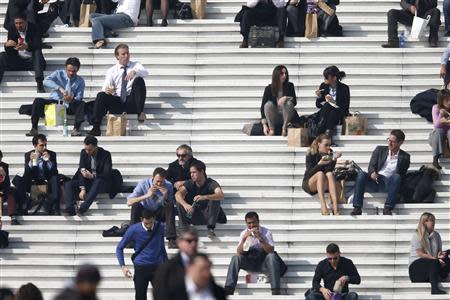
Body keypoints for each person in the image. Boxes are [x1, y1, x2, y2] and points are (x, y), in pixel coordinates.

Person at [88, 44, 149, 136]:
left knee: (139, 80)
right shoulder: (112, 70)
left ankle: (140, 112)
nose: (126, 56)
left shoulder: (136, 65)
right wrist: (108, 90)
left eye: (127, 53)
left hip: (131, 101)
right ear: (117, 56)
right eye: (123, 54)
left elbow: (145, 72)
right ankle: (96, 126)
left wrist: (135, 71)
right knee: (101, 95)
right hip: (117, 101)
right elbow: (105, 87)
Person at [350, 129, 410, 216]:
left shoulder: (405, 157)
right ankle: (357, 207)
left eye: (393, 142)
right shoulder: (379, 150)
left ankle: (388, 208)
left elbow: (402, 174)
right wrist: (372, 173)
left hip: (389, 183)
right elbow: (371, 166)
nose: (389, 143)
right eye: (389, 140)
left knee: (397, 177)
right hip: (375, 180)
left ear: (400, 142)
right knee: (361, 174)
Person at [225, 211, 283, 296]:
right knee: (235, 258)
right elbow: (239, 253)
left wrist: (261, 239)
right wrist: (245, 239)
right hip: (250, 262)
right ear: (246, 223)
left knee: (272, 256)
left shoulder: (266, 232)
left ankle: (276, 289)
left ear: (258, 222)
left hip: (264, 263)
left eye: (254, 222)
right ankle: (229, 289)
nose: (252, 225)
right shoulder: (244, 233)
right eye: (249, 223)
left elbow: (271, 251)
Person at [25, 57, 86, 137]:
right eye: (69, 70)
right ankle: (34, 128)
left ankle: (76, 128)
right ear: (65, 68)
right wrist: (59, 88)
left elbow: (79, 97)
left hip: (69, 104)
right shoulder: (58, 73)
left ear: (77, 70)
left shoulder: (80, 80)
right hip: (56, 101)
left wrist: (71, 98)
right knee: (38, 101)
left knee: (82, 103)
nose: (71, 73)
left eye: (73, 71)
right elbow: (46, 81)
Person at [116, 209, 168, 300]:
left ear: (154, 219)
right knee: (140, 296)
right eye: (146, 223)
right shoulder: (133, 230)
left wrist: (167, 264)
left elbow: (162, 247)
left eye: (151, 223)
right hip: (141, 267)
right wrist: (123, 266)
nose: (148, 226)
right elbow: (119, 248)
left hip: (157, 267)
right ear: (141, 219)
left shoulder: (160, 227)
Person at [127, 167, 177, 248]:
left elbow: (169, 205)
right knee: (135, 205)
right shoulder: (143, 184)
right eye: (157, 181)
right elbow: (129, 202)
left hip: (159, 212)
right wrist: (147, 195)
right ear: (152, 178)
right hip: (145, 211)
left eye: (162, 182)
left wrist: (165, 196)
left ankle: (172, 239)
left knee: (170, 205)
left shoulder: (168, 185)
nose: (159, 184)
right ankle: (132, 239)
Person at [175, 160, 226, 239]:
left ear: (202, 171)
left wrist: (205, 197)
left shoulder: (211, 183)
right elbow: (177, 194)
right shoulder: (190, 183)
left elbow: (220, 195)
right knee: (179, 201)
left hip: (208, 215)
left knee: (215, 199)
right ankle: (183, 230)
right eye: (191, 173)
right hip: (193, 214)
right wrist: (185, 205)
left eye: (194, 172)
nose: (191, 175)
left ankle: (211, 229)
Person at [64, 136, 113, 216]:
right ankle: (70, 208)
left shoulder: (106, 155)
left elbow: (106, 174)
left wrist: (93, 176)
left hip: (101, 182)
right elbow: (81, 170)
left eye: (89, 150)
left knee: (98, 181)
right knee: (68, 184)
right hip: (88, 181)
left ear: (95, 147)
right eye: (86, 149)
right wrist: (82, 188)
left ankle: (83, 208)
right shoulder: (83, 152)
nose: (87, 152)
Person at [14, 134, 60, 215]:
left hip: (47, 181)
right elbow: (27, 172)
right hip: (33, 182)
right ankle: (21, 206)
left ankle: (55, 207)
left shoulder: (52, 154)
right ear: (35, 145)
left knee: (55, 178)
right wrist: (33, 161)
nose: (44, 147)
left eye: (45, 145)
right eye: (41, 145)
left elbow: (54, 172)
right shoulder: (29, 154)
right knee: (19, 179)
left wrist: (48, 161)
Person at [0, 14, 46, 92]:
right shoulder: (12, 29)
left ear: (26, 22)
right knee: (2, 55)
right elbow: (10, 52)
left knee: (37, 52)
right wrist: (7, 45)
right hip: (18, 60)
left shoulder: (34, 28)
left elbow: (39, 45)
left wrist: (27, 46)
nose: (18, 26)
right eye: (16, 23)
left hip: (33, 62)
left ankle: (39, 83)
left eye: (21, 23)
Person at [153, 227, 199, 300]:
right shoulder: (167, 268)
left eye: (196, 241)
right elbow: (160, 294)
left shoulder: (202, 265)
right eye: (189, 241)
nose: (193, 244)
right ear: (179, 243)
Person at [409, 212, 450, 294]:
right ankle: (434, 289)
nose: (434, 222)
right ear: (424, 222)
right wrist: (436, 260)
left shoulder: (437, 235)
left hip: (431, 267)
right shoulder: (417, 235)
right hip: (417, 270)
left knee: (446, 259)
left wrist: (441, 255)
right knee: (434, 262)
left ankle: (443, 275)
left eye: (434, 220)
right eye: (431, 220)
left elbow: (438, 253)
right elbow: (421, 254)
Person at [302, 134, 342, 216]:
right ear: (319, 144)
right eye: (326, 145)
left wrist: (333, 160)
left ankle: (335, 206)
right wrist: (320, 164)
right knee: (320, 174)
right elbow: (309, 173)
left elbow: (329, 171)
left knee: (330, 174)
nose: (328, 147)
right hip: (310, 183)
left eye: (329, 145)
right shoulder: (311, 153)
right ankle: (323, 205)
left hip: (323, 183)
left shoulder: (329, 153)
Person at [260, 65, 300, 137]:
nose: (284, 76)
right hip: (274, 117)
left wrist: (286, 97)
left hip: (287, 117)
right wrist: (264, 125)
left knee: (288, 103)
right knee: (268, 104)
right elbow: (263, 107)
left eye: (285, 73)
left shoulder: (290, 86)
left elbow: (294, 102)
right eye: (281, 74)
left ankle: (284, 129)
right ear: (276, 75)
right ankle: (271, 129)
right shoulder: (269, 88)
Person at [314, 66, 350, 143]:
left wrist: (335, 103)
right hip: (325, 112)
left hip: (338, 112)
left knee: (332, 111)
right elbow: (318, 105)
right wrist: (319, 96)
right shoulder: (323, 86)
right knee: (328, 106)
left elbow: (346, 107)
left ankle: (319, 131)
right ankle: (328, 136)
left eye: (327, 77)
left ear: (334, 78)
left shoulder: (344, 88)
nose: (325, 79)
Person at [429, 89, 450, 169]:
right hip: (436, 137)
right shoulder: (436, 108)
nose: (449, 102)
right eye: (447, 100)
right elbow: (436, 125)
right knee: (438, 131)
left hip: (448, 136)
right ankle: (435, 159)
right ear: (441, 101)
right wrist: (441, 114)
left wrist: (446, 122)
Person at [0, 151, 20, 225]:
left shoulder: (4, 166)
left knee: (11, 190)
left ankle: (13, 216)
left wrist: (4, 175)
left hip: (2, 190)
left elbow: (7, 184)